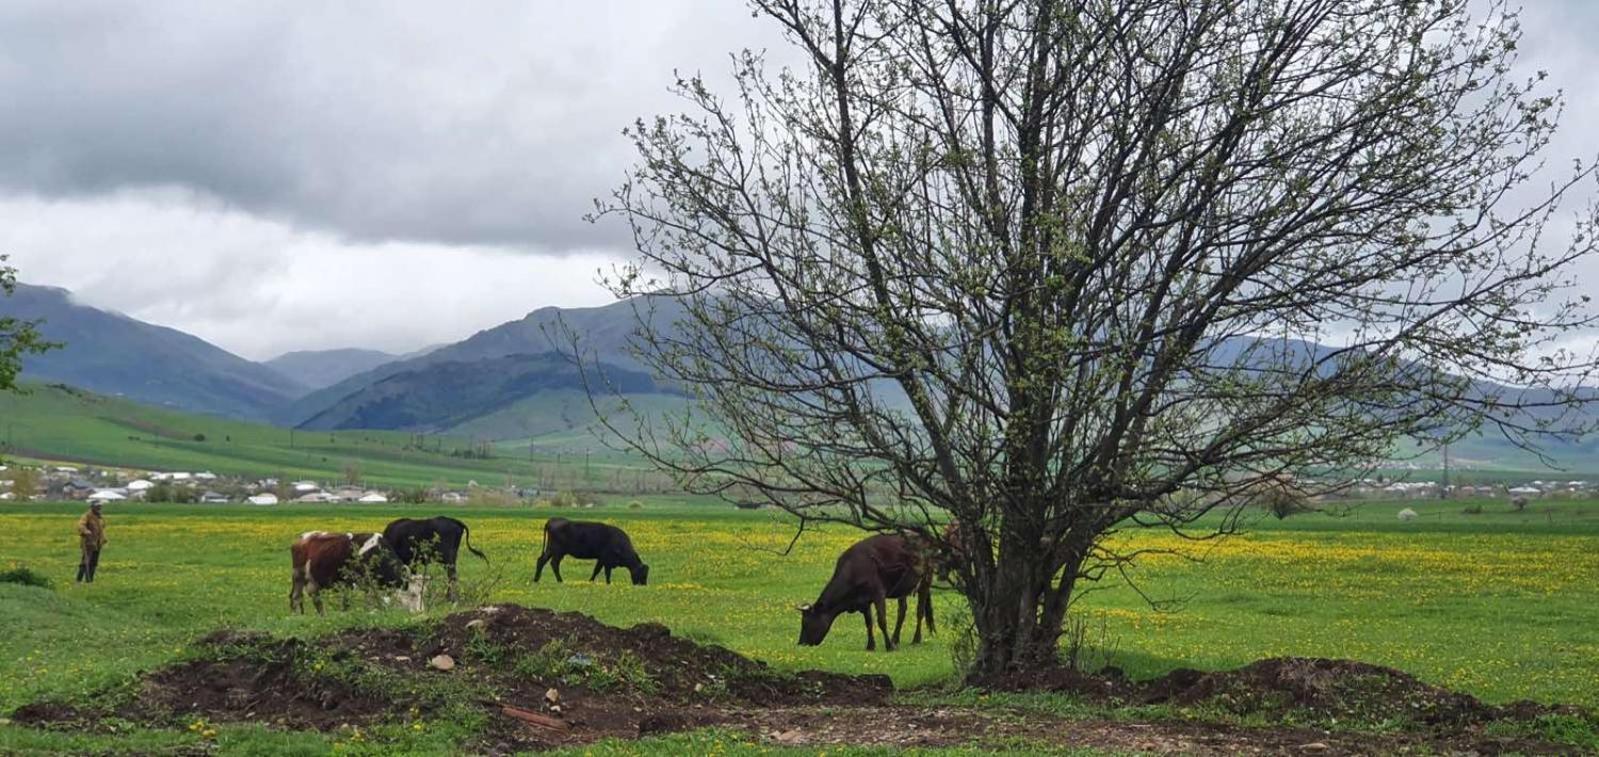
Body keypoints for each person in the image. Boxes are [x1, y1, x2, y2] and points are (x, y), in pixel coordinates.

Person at [76, 502, 107, 583]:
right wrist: (86, 531)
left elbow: (101, 529)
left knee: (93, 563)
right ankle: (78, 581)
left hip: (97, 543)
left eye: (100, 507)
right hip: (88, 542)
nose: (99, 509)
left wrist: (103, 538)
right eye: (97, 507)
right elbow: (80, 525)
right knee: (85, 562)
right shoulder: (87, 516)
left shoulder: (100, 517)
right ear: (92, 507)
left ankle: (89, 581)